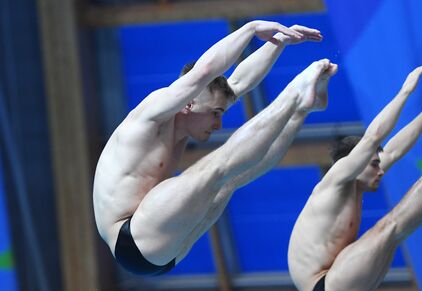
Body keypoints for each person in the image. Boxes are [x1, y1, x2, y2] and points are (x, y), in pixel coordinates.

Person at [93, 20, 338, 275]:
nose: (219, 124)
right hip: (130, 236)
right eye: (216, 113)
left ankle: (300, 109)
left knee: (230, 180)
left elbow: (240, 83)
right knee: (216, 168)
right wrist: (251, 28)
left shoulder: (187, 116)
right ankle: (296, 94)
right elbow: (205, 71)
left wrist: (279, 41)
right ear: (188, 103)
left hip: (162, 247)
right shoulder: (151, 116)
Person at [288, 64, 422, 291]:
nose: (380, 170)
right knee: (389, 226)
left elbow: (393, 152)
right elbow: (373, 137)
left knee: (394, 231)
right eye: (374, 165)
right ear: (354, 163)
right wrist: (405, 91)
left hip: (339, 285)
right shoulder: (335, 181)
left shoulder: (354, 181)